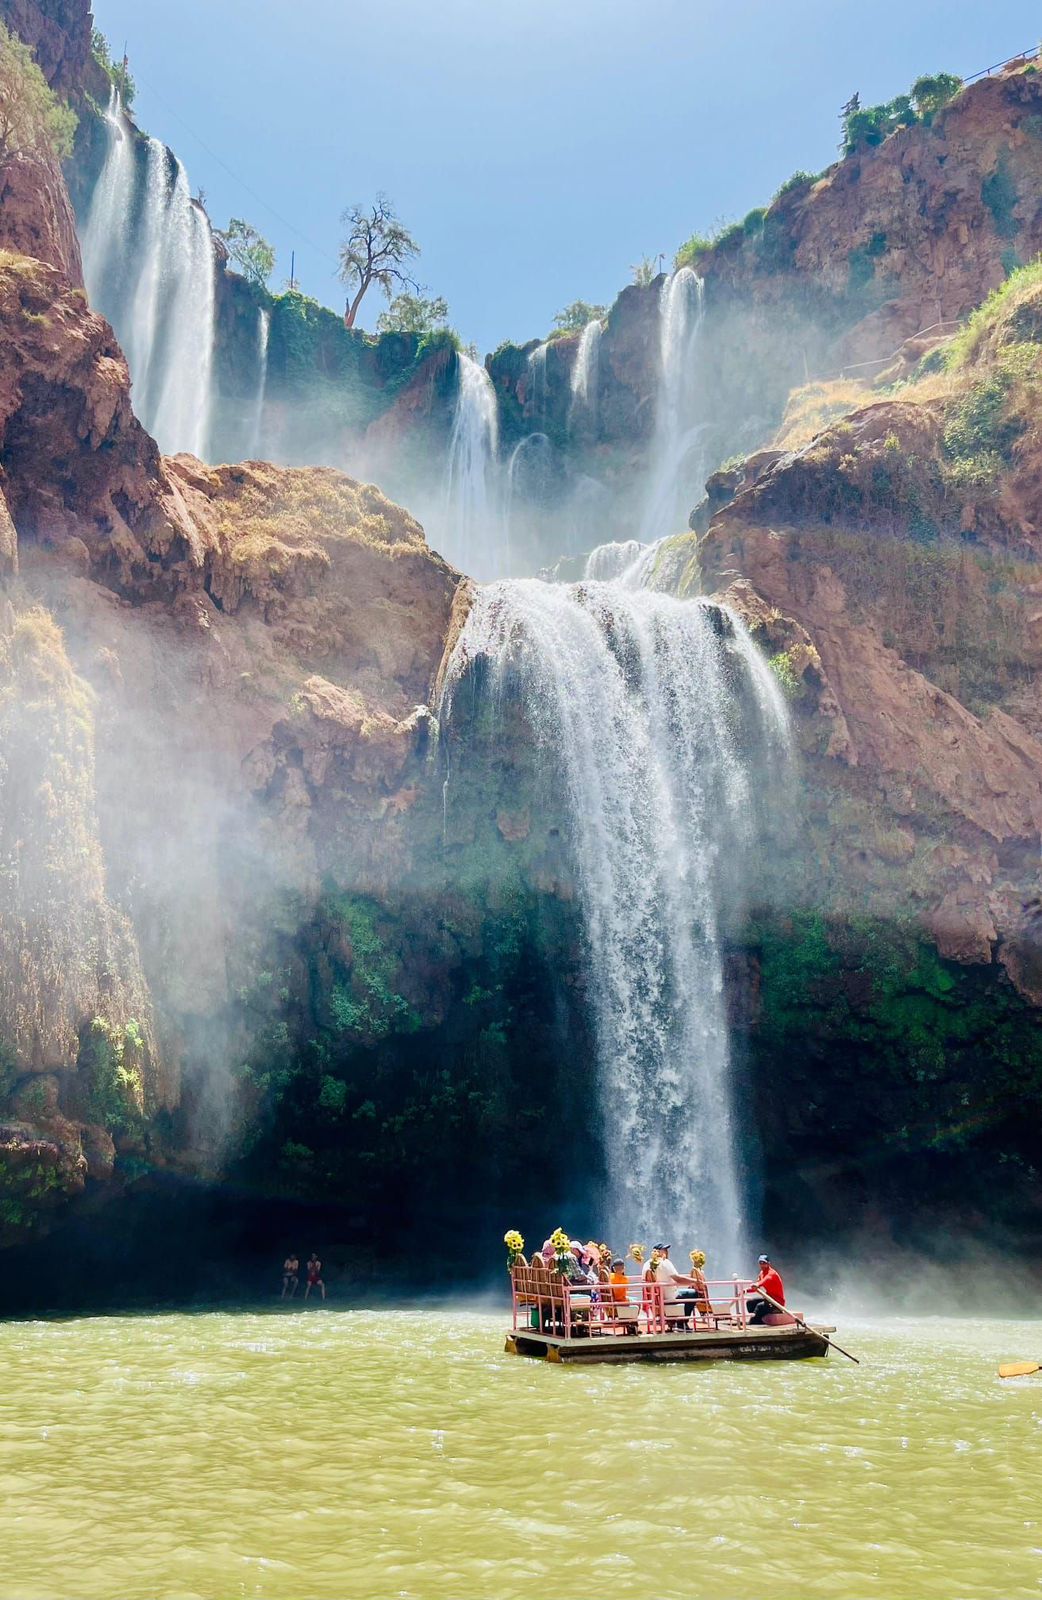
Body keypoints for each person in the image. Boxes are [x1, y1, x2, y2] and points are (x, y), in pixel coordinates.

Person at [651, 1244, 698, 1329]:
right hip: (671, 1296)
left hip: (661, 1296)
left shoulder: (651, 1264)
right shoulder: (665, 1262)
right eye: (664, 1250)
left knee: (687, 1291)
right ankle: (682, 1322)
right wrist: (695, 1281)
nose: (667, 1252)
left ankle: (675, 1322)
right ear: (658, 1252)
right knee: (693, 1293)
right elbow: (678, 1279)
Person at [745, 1253, 785, 1324]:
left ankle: (753, 1322)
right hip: (768, 1299)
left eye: (764, 1263)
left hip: (777, 1302)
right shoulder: (761, 1273)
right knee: (750, 1303)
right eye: (760, 1263)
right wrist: (745, 1291)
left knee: (759, 1306)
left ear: (768, 1263)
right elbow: (755, 1288)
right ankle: (758, 1320)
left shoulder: (772, 1273)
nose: (762, 1265)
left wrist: (757, 1284)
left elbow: (763, 1281)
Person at [678, 1250, 710, 1324]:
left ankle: (683, 1318)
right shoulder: (701, 1271)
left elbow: (694, 1282)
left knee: (686, 1294)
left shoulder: (694, 1270)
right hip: (703, 1293)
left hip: (698, 1293)